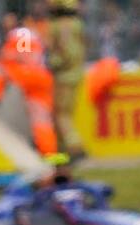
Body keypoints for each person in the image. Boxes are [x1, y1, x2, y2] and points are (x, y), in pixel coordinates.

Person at [0, 6, 57, 154]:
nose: (5, 22)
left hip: (28, 74)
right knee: (42, 121)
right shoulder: (34, 33)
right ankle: (49, 154)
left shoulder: (20, 33)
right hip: (42, 77)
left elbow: (20, 57)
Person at [46, 0, 85, 157]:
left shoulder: (58, 26)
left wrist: (50, 63)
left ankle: (74, 147)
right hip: (76, 74)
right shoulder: (77, 24)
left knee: (61, 115)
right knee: (67, 113)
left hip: (63, 76)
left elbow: (64, 53)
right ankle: (63, 150)